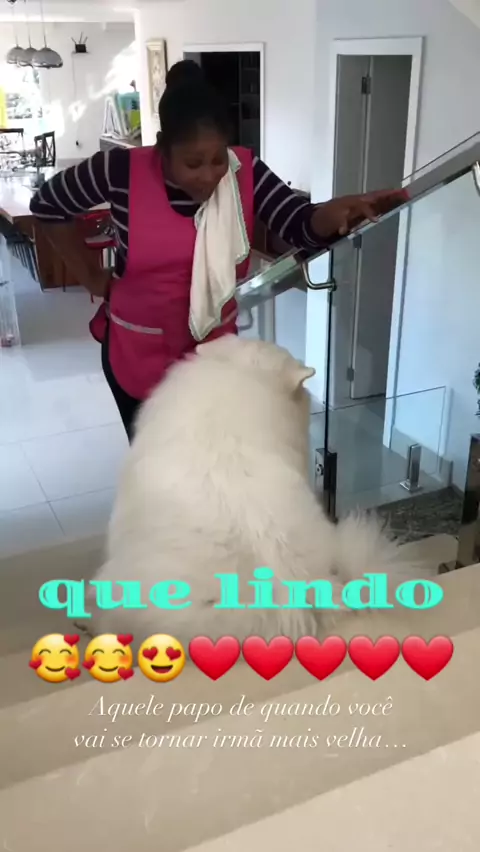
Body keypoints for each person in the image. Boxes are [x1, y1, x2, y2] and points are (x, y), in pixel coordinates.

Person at [30, 59, 407, 441]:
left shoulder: (244, 171)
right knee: (161, 463)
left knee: (213, 456)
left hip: (213, 355)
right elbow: (47, 205)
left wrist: (334, 213)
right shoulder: (119, 171)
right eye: (193, 163)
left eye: (217, 159)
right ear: (162, 148)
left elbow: (297, 223)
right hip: (137, 355)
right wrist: (92, 277)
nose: (210, 175)